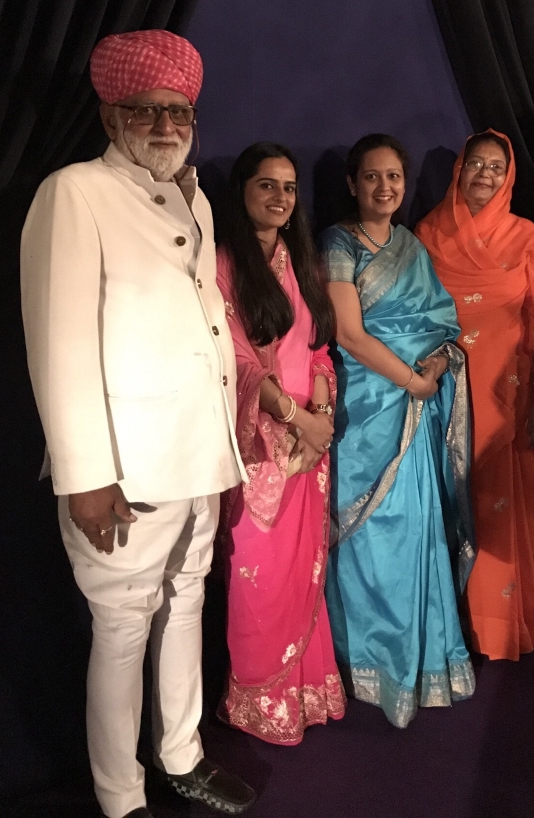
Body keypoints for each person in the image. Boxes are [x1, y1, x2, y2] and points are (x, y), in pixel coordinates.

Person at [20, 30, 256, 818]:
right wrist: (85, 475)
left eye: (177, 110)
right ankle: (120, 797)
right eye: (145, 109)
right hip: (125, 470)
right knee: (122, 630)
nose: (164, 124)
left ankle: (183, 755)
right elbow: (58, 345)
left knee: (187, 602)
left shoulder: (196, 197)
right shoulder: (74, 191)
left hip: (198, 458)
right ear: (108, 112)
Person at [319, 133, 475, 729]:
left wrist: (434, 364)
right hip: (371, 405)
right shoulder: (338, 242)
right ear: (354, 183)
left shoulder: (410, 244)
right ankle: (371, 661)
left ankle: (422, 655)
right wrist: (411, 383)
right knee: (373, 533)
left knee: (418, 528)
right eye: (372, 177)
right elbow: (350, 335)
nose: (385, 188)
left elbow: (439, 321)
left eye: (394, 178)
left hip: (418, 404)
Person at [416, 130, 534, 661]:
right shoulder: (429, 232)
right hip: (446, 396)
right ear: (459, 168)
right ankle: (457, 626)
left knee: (511, 513)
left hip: (513, 397)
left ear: (509, 178)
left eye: (496, 167)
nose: (485, 174)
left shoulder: (525, 236)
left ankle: (506, 624)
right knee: (451, 507)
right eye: (476, 163)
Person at [215, 142, 346, 744]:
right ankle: (257, 700)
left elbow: (320, 345)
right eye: (267, 185)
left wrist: (320, 420)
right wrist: (295, 418)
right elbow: (238, 361)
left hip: (307, 443)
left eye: (289, 187)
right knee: (257, 575)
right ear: (242, 191)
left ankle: (302, 695)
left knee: (302, 570)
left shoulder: (302, 260)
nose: (280, 198)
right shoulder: (224, 263)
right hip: (258, 444)